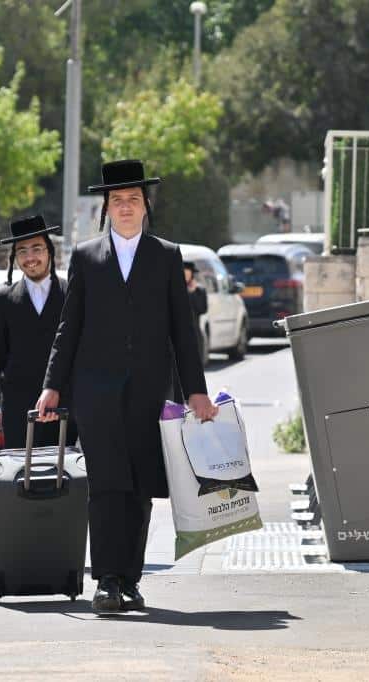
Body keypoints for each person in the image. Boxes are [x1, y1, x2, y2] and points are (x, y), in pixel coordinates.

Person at [35, 159, 218, 613]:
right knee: (105, 485)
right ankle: (107, 580)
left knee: (140, 486)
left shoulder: (167, 255)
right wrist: (52, 386)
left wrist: (196, 390)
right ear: (106, 208)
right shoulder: (85, 256)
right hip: (95, 392)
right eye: (117, 201)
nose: (126, 207)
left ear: (145, 206)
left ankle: (131, 579)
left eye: (133, 200)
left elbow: (183, 331)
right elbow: (68, 327)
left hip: (150, 393)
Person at [0, 215, 78, 449]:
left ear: (49, 250)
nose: (30, 258)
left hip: (64, 404)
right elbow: (1, 355)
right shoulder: (5, 298)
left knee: (62, 478)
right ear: (14, 257)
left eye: (37, 249)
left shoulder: (71, 292)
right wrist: (0, 407)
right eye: (22, 251)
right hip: (18, 409)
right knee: (20, 478)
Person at [173, 261, 209, 402]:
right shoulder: (174, 288)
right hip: (176, 336)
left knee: (195, 369)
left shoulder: (199, 290)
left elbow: (202, 309)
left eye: (188, 273)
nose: (186, 275)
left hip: (194, 335)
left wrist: (193, 293)